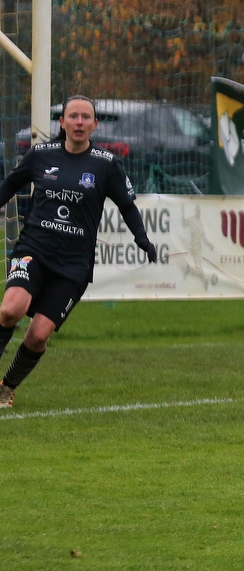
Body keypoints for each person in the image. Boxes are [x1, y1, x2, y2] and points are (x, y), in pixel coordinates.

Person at [0, 95, 157, 408]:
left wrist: (142, 238)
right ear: (62, 122)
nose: (79, 122)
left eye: (86, 117)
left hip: (74, 265)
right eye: (73, 116)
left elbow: (127, 206)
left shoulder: (106, 165)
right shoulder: (41, 155)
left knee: (38, 335)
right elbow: (10, 183)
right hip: (34, 248)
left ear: (95, 124)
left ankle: (7, 388)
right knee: (10, 309)